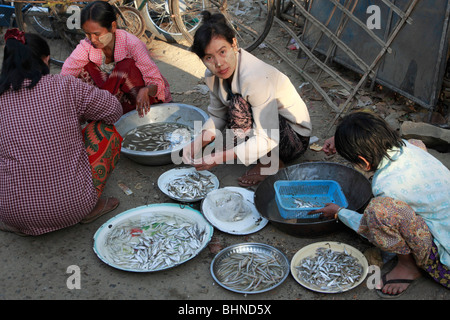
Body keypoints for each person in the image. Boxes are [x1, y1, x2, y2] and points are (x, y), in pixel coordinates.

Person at [310, 111, 450, 297]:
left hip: (445, 260)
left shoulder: (386, 185)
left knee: (379, 211)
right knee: (419, 144)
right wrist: (342, 139)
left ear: (364, 162)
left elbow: (367, 224)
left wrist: (339, 212)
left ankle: (408, 266)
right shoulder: (407, 146)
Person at [0, 28, 123, 236]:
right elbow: (113, 110)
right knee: (103, 129)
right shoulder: (65, 86)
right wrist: (79, 118)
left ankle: (20, 221)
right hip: (74, 207)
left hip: (12, 214)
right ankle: (90, 206)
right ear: (46, 60)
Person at [181, 11, 312, 186]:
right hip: (268, 129)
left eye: (222, 51)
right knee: (233, 112)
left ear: (234, 44)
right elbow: (218, 116)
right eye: (209, 57)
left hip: (292, 138)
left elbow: (267, 137)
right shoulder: (211, 76)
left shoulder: (254, 76)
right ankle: (258, 154)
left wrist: (220, 157)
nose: (219, 63)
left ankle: (271, 164)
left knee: (237, 106)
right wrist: (197, 143)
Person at [61, 1, 171, 117]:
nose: (92, 39)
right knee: (81, 70)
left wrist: (146, 90)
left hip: (134, 98)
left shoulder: (132, 44)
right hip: (107, 96)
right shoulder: (87, 45)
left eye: (97, 34)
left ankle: (130, 113)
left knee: (126, 66)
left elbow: (155, 81)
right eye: (87, 34)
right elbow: (66, 73)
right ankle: (100, 111)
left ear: (113, 27)